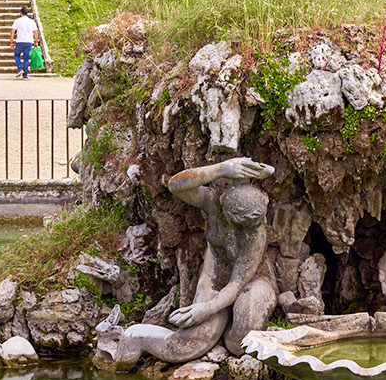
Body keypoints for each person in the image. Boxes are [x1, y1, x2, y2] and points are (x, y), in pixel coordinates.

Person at [113, 158, 278, 369]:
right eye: (243, 224)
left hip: (253, 282)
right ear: (227, 214)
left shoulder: (255, 233)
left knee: (240, 343)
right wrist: (222, 169)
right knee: (187, 345)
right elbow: (176, 185)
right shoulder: (214, 204)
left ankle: (225, 326)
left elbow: (238, 283)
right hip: (216, 278)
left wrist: (207, 309)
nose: (252, 228)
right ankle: (135, 335)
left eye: (255, 223)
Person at [10, 6, 40, 80]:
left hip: (20, 41)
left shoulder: (17, 21)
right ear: (27, 13)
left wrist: (11, 42)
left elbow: (12, 31)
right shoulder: (31, 21)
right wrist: (36, 42)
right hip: (29, 41)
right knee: (26, 58)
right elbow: (36, 32)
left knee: (16, 55)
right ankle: (25, 76)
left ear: (21, 13)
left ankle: (20, 68)